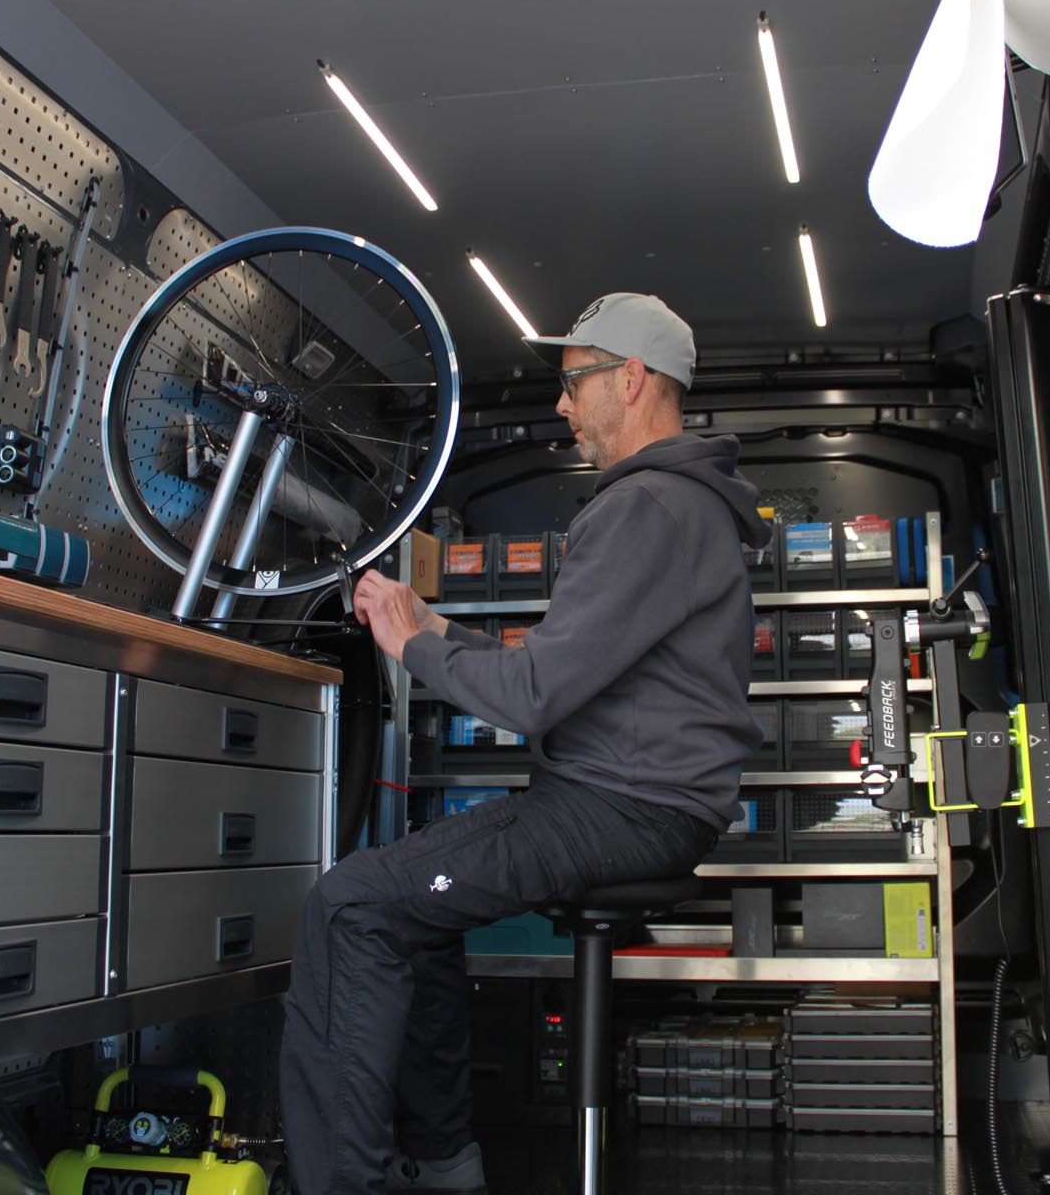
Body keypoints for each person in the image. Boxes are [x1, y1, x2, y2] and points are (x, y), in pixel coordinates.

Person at [278, 292, 768, 1194]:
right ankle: (444, 1164)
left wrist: (413, 646)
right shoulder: (682, 505)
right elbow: (562, 668)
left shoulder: (648, 506)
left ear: (632, 379)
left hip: (619, 808)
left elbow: (536, 696)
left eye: (575, 382)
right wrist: (437, 629)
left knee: (350, 906)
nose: (561, 403)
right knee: (414, 910)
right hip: (639, 805)